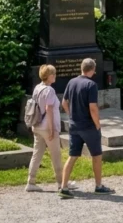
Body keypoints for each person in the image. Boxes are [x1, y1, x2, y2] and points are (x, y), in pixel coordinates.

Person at [60, 58, 113, 198]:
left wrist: (71, 115)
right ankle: (98, 186)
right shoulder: (91, 85)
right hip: (88, 126)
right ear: (93, 69)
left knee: (72, 156)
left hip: (74, 125)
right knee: (96, 156)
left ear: (82, 68)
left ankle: (64, 187)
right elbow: (93, 107)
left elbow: (64, 102)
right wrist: (97, 124)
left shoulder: (72, 82)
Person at [25, 65, 76, 193]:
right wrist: (52, 129)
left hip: (37, 126)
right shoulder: (50, 90)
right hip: (47, 128)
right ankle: (61, 183)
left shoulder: (37, 88)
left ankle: (30, 182)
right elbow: (49, 109)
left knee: (37, 154)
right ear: (49, 76)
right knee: (56, 155)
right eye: (53, 74)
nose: (55, 76)